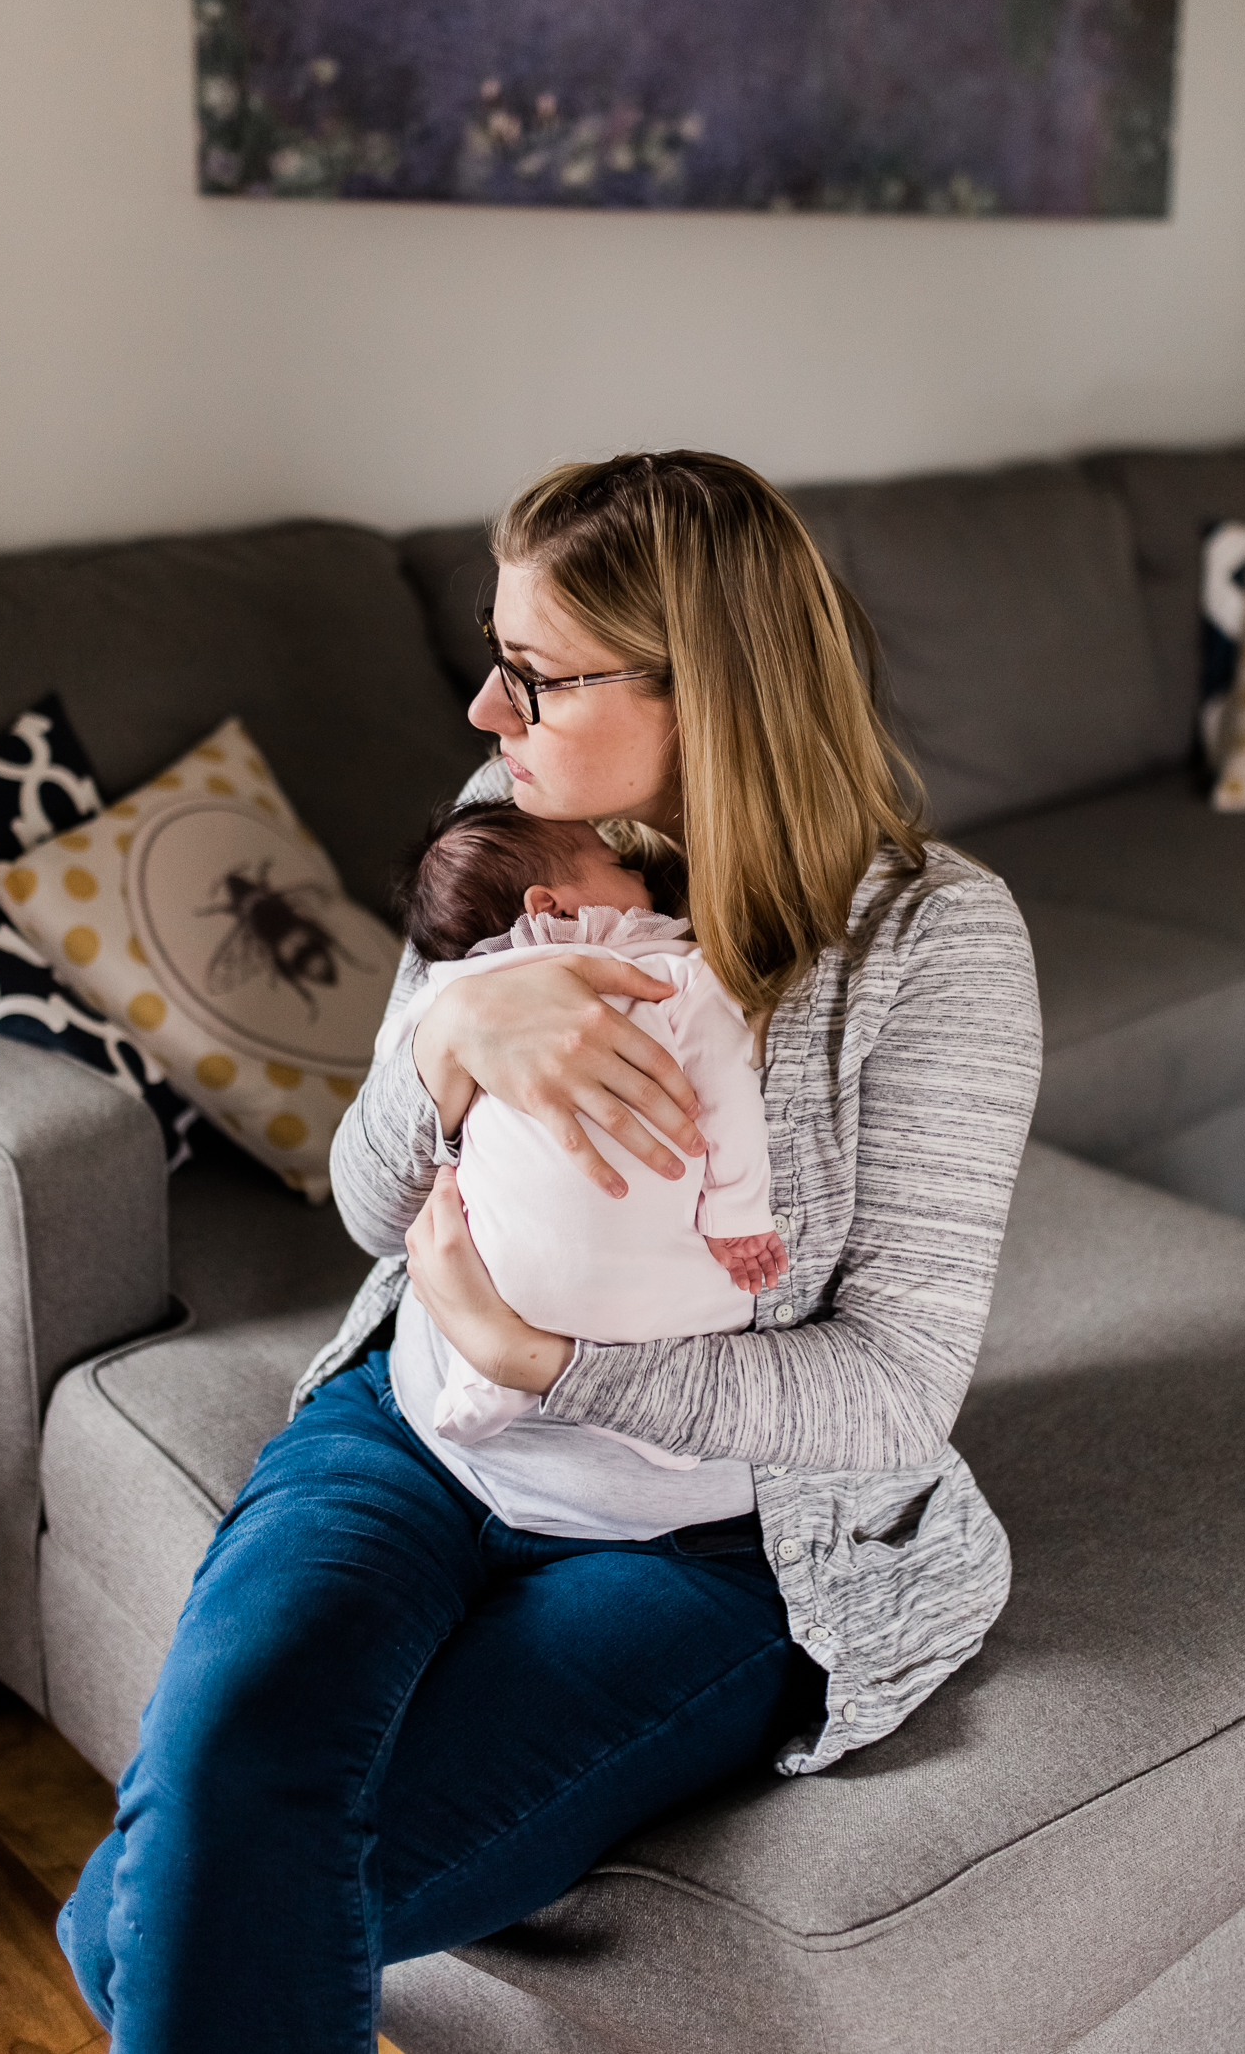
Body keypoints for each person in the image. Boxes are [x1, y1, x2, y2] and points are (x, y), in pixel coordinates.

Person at [59, 449, 1042, 2054]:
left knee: (156, 1920)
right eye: (490, 662)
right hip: (411, 1431)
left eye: (533, 674)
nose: (483, 716)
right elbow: (372, 1204)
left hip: (707, 1550)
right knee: (241, 1783)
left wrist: (553, 1362)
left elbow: (891, 1394)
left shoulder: (931, 943)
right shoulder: (503, 826)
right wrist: (450, 1031)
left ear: (705, 690)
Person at [387, 798, 788, 1458]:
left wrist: (499, 1348)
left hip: (498, 1284)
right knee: (706, 1302)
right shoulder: (672, 978)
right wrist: (736, 1212)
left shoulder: (442, 993)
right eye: (616, 862)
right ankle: (656, 1435)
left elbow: (399, 1077)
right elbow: (727, 1095)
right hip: (661, 1306)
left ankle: (488, 1378)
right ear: (552, 908)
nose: (641, 876)